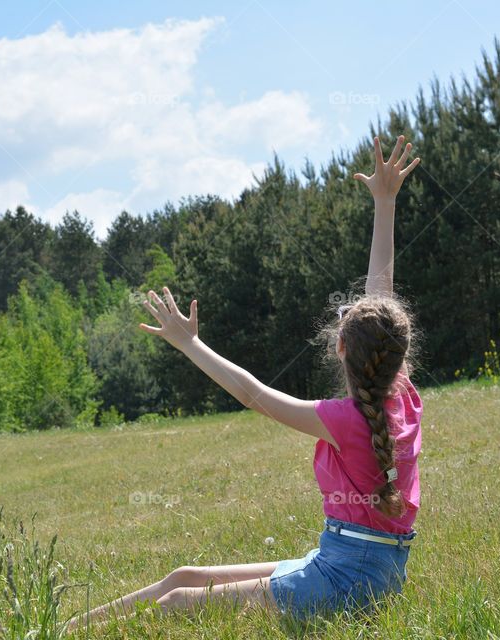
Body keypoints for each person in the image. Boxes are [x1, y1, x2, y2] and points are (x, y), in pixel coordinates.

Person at [67, 135, 422, 631]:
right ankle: (64, 629)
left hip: (350, 575)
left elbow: (252, 393)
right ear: (395, 356)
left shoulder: (344, 419)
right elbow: (381, 301)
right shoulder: (401, 399)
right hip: (357, 562)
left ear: (340, 347)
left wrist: (190, 344)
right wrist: (385, 204)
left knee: (174, 609)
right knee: (183, 577)